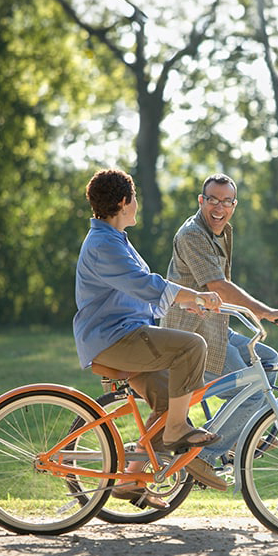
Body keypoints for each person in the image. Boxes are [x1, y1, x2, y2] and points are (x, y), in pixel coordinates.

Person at [73, 168, 230, 505]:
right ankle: (177, 432)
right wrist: (196, 296)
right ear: (124, 202)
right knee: (192, 346)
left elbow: (137, 295)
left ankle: (131, 479)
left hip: (124, 333)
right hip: (113, 339)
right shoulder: (104, 244)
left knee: (166, 403)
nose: (137, 203)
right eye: (135, 197)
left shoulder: (114, 239)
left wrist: (188, 306)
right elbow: (148, 285)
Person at [164, 173, 278, 468]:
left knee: (268, 360)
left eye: (226, 201)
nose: (219, 207)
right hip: (191, 337)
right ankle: (205, 458)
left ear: (234, 205)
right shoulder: (192, 235)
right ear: (201, 201)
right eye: (212, 199)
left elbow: (219, 290)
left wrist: (246, 315)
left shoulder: (222, 231)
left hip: (214, 329)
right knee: (249, 394)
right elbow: (218, 286)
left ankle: (231, 435)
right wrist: (263, 311)